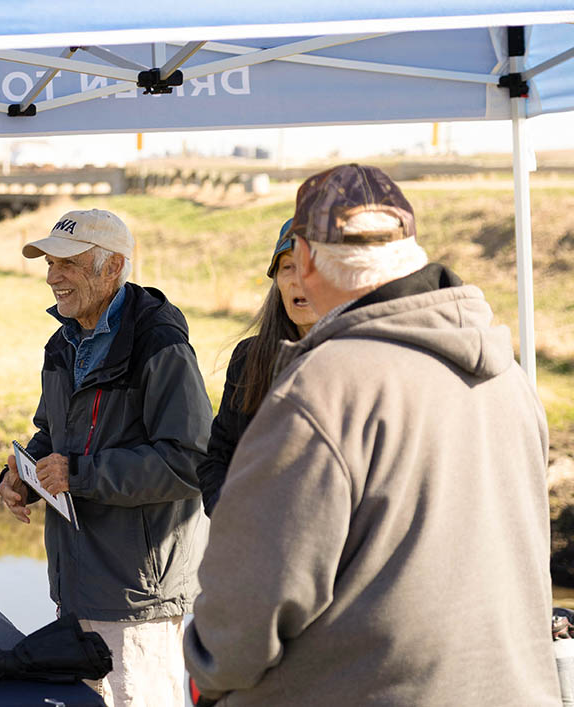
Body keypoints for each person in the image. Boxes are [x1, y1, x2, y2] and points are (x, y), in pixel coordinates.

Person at [184, 164, 559, 705]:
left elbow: (243, 621)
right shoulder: (509, 376)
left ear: (304, 259)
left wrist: (205, 670)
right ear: (409, 251)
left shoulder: (323, 388)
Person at [0, 208, 213, 706]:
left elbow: (189, 461)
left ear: (112, 266)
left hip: (136, 594)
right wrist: (24, 477)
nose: (52, 277)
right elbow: (52, 433)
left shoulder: (158, 344)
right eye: (50, 264)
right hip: (76, 586)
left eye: (67, 264)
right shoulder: (63, 342)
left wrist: (79, 474)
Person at [197, 219, 318, 515]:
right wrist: (229, 514)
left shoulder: (361, 360)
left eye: (311, 266)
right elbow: (219, 456)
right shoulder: (249, 358)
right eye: (287, 267)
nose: (298, 279)